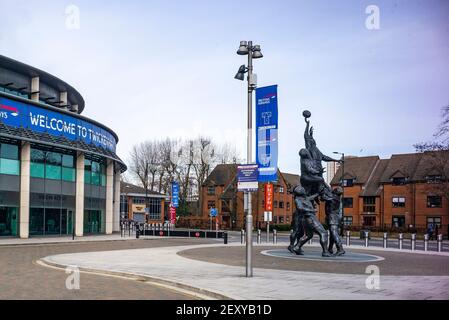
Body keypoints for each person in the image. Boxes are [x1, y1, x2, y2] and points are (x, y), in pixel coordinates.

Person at [291, 186, 330, 257]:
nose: (304, 190)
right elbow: (300, 208)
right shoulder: (298, 200)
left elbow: (311, 197)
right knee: (323, 233)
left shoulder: (304, 198)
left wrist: (318, 193)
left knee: (308, 235)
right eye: (303, 190)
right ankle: (325, 252)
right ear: (300, 192)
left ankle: (297, 247)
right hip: (310, 217)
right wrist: (311, 210)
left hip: (305, 219)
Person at [325, 187, 345, 256]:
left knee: (334, 233)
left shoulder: (333, 198)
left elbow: (324, 197)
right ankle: (330, 248)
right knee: (332, 234)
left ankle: (340, 248)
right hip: (335, 217)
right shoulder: (337, 198)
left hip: (332, 217)